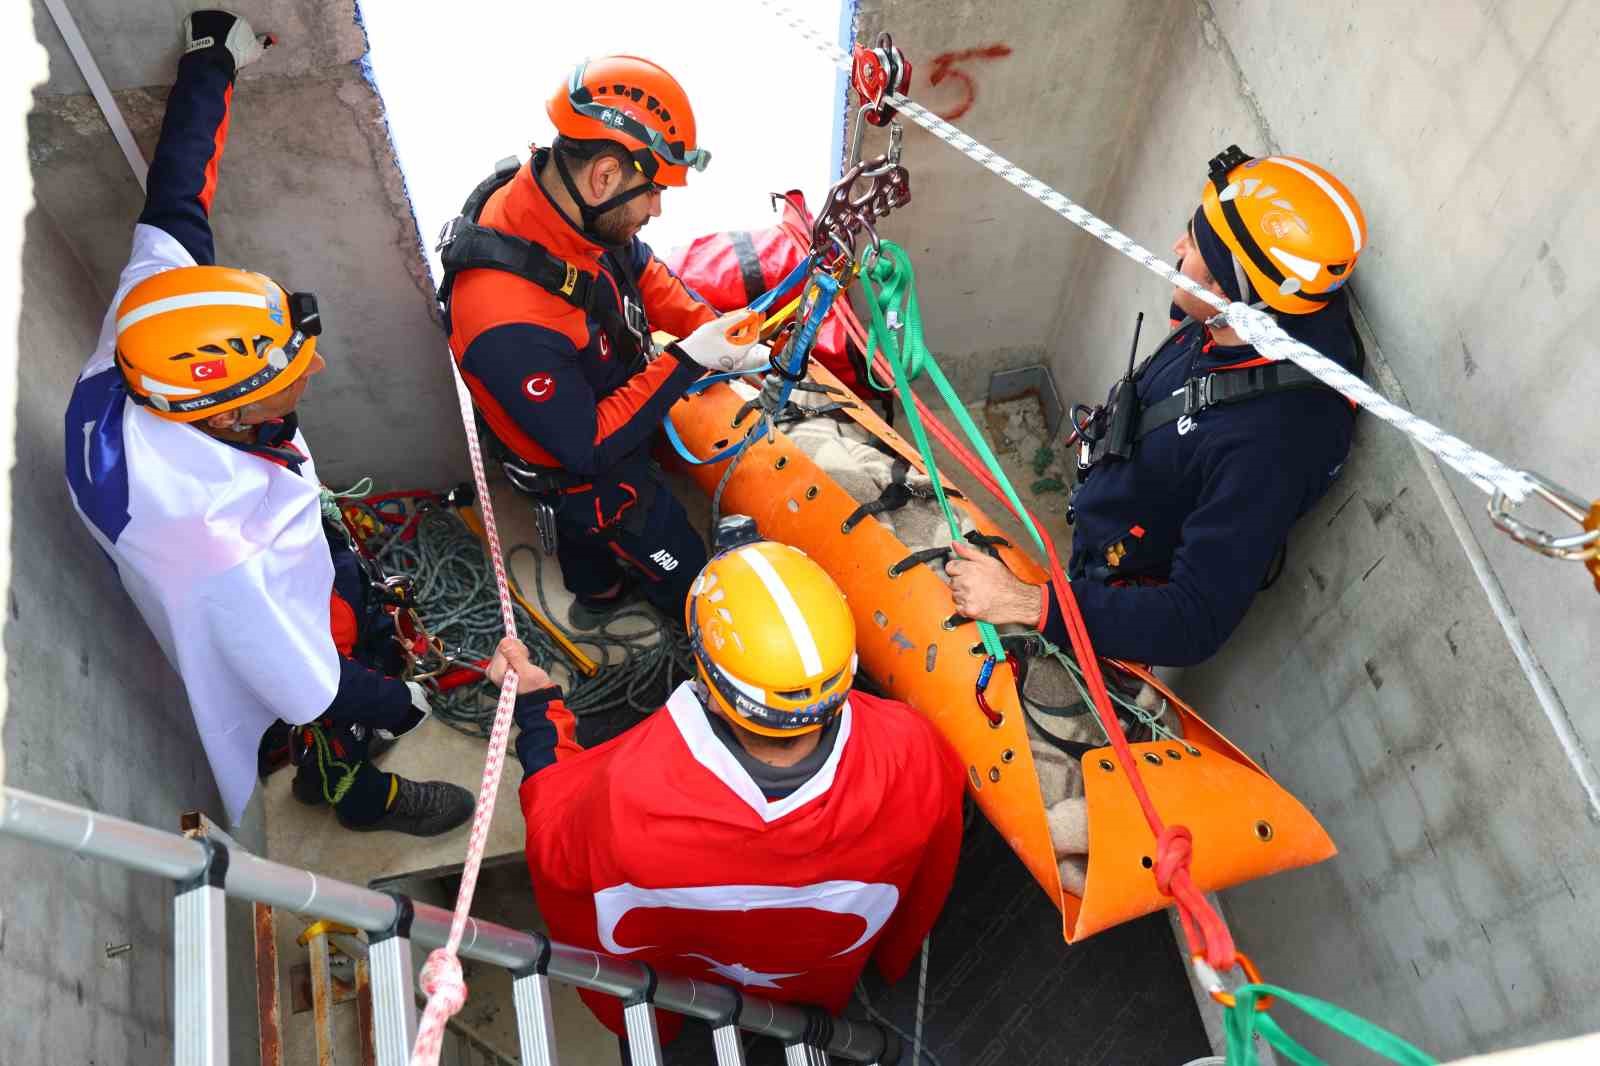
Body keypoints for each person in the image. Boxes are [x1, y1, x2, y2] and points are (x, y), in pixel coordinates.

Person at [63, 11, 472, 836]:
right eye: (288, 378)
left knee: (346, 593)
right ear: (229, 411)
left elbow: (179, 192)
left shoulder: (154, 326)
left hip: (242, 529)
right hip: (234, 597)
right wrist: (400, 703)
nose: (312, 373)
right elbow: (308, 682)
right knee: (335, 691)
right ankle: (357, 794)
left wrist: (212, 58)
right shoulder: (212, 544)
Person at [492, 521, 965, 1041]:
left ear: (715, 694)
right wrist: (891, 957)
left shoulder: (625, 795)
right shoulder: (916, 752)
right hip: (816, 984)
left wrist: (537, 708)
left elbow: (553, 828)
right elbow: (931, 871)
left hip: (690, 990)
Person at [947, 147, 1367, 668]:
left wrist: (1029, 604)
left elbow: (1192, 622)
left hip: (1125, 585)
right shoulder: (1262, 310)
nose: (1177, 246)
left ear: (1226, 290)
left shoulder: (1272, 446)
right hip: (1119, 511)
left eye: (1194, 246)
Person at [441, 56, 768, 631]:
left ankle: (598, 595)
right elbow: (587, 446)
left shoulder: (558, 206)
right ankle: (677, 616)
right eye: (654, 191)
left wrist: (717, 330)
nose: (657, 209)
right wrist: (687, 361)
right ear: (606, 176)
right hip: (584, 466)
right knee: (679, 563)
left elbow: (640, 270)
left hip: (581, 400)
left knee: (586, 554)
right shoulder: (502, 319)